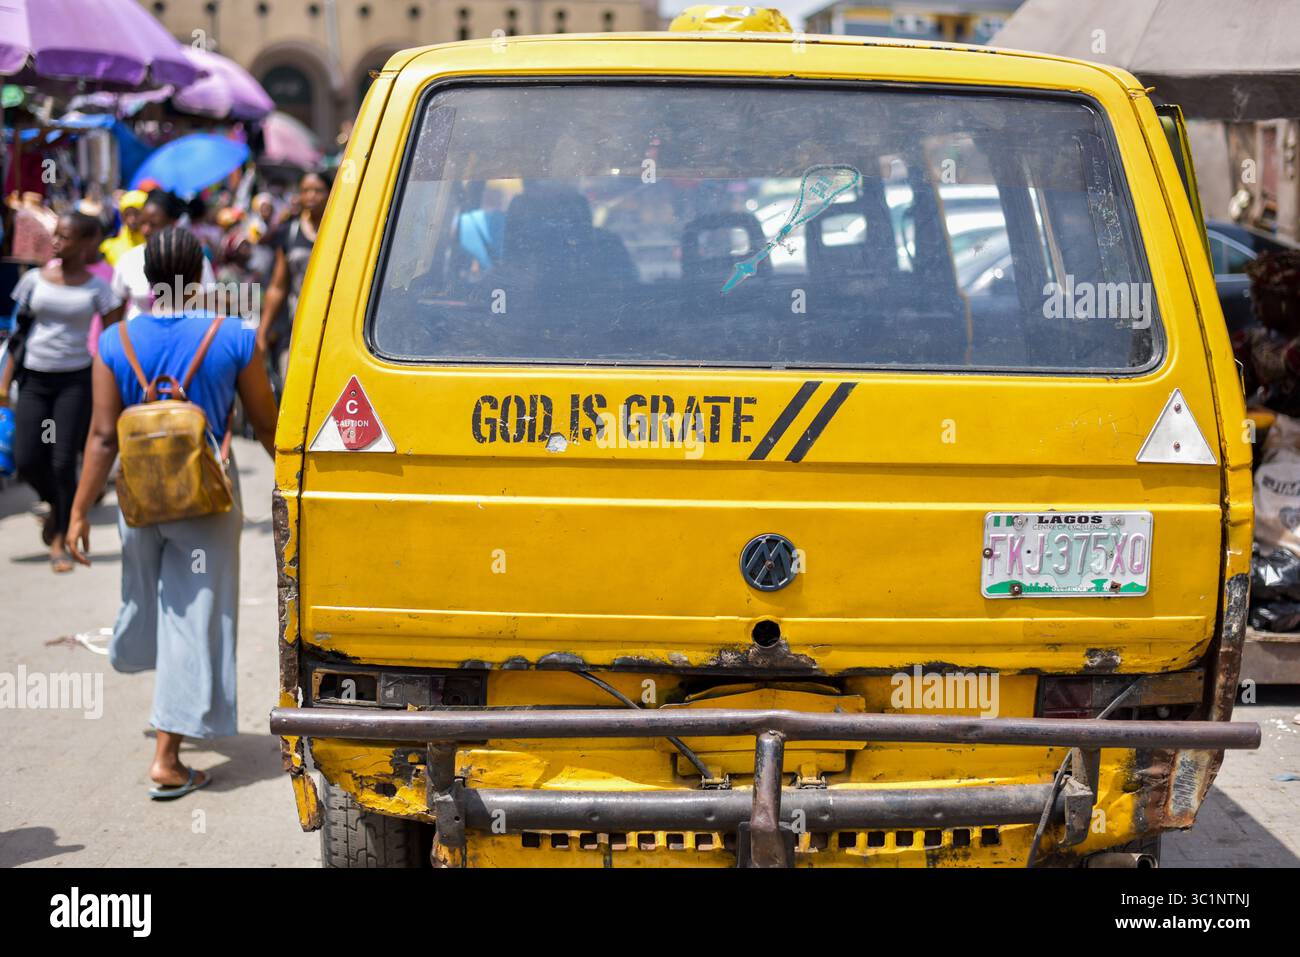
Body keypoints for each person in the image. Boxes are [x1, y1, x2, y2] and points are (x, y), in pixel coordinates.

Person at [66, 227, 278, 799]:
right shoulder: (233, 335)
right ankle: (167, 757)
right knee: (194, 614)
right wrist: (299, 481)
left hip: (139, 497)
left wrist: (80, 512)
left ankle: (154, 686)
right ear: (203, 273)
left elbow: (104, 436)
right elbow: (264, 423)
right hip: (204, 500)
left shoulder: (114, 341)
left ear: (145, 277)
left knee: (147, 597)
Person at [0, 212, 121, 572]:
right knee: (27, 459)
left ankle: (59, 540)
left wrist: (113, 387)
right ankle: (58, 507)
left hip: (76, 381)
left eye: (65, 237)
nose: (56, 242)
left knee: (64, 459)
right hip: (34, 379)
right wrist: (5, 383)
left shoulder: (97, 289)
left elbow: (114, 341)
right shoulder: (34, 280)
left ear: (86, 245)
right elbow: (17, 335)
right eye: (56, 235)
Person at [258, 170, 331, 390]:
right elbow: (278, 286)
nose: (311, 196)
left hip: (333, 328)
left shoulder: (340, 228)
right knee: (293, 387)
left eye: (317, 191)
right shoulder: (290, 233)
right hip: (297, 328)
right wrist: (262, 332)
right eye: (306, 191)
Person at [105, 189, 216, 323]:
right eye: (143, 223)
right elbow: (116, 310)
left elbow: (208, 306)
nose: (145, 230)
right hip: (137, 340)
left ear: (172, 223)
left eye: (153, 224)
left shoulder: (194, 259)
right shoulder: (129, 260)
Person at [99, 190, 148, 267]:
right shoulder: (109, 248)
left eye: (137, 213)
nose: (132, 219)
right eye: (127, 214)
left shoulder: (153, 247)